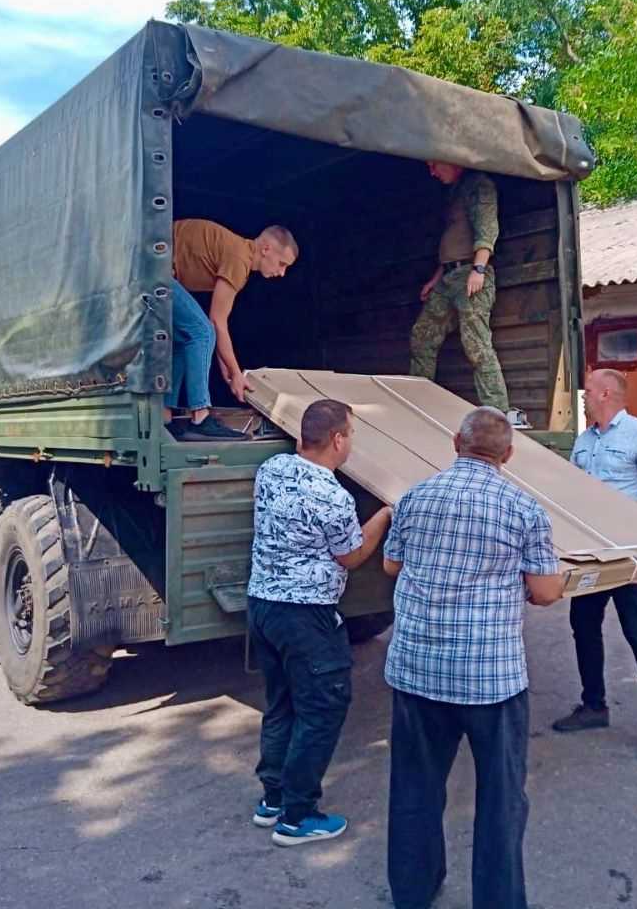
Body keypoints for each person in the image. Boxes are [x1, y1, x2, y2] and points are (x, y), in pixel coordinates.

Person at [382, 407, 564, 909]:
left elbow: (392, 565)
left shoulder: (414, 497)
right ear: (508, 454)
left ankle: (413, 893)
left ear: (455, 443)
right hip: (490, 680)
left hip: (417, 670)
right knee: (501, 801)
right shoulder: (523, 508)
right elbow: (546, 591)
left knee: (415, 790)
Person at [246, 399, 392, 846]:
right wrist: (385, 515)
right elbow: (351, 555)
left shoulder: (271, 470)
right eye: (352, 434)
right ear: (338, 440)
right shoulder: (332, 497)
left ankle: (272, 799)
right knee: (323, 707)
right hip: (306, 617)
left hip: (264, 606)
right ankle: (298, 816)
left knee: (282, 703)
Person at [552, 369, 637, 764]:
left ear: (606, 394)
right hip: (590, 552)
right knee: (584, 626)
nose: (583, 397)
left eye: (588, 391)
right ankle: (594, 706)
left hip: (627, 552)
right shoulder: (585, 440)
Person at [167, 218, 298, 441]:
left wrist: (226, 368)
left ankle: (164, 416)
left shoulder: (238, 253)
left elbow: (217, 327)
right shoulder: (239, 258)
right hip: (153, 267)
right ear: (266, 249)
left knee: (186, 338)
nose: (282, 273)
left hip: (149, 266)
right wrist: (236, 374)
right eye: (282, 264)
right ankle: (200, 415)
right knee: (201, 331)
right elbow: (216, 322)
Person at [409, 161, 510, 414]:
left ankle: (497, 411)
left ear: (451, 161)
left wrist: (478, 270)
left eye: (435, 165)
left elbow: (487, 229)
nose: (432, 172)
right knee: (422, 336)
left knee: (477, 345)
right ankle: (418, 403)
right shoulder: (455, 192)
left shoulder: (479, 185)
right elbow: (453, 243)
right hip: (449, 275)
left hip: (470, 273)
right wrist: (436, 278)